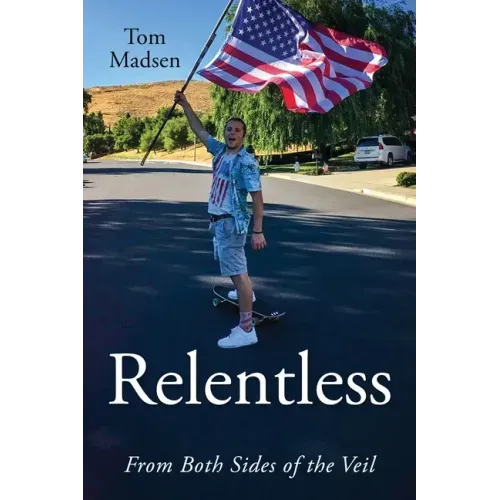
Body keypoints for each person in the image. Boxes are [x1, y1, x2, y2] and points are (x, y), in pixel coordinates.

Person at [175, 90, 266, 349]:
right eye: (229, 129)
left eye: (237, 130)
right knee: (236, 267)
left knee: (237, 273)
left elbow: (258, 199)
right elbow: (199, 130)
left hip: (230, 223)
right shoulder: (219, 151)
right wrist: (185, 105)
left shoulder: (246, 163)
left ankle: (246, 329)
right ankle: (244, 293)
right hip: (218, 222)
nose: (232, 133)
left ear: (243, 135)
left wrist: (258, 231)